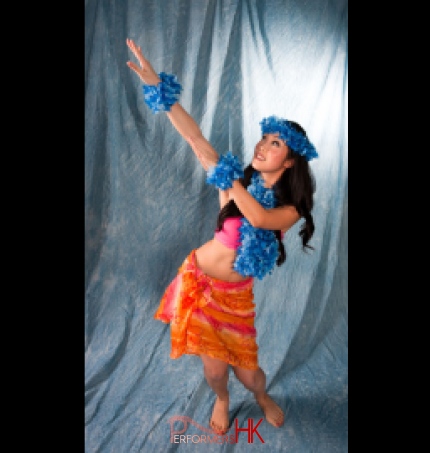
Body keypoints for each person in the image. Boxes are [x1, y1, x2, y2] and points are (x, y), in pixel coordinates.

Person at [126, 38, 318, 434]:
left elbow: (262, 219)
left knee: (251, 376)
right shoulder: (234, 180)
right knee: (215, 371)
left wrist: (231, 179)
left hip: (235, 299)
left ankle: (260, 397)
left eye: (275, 143)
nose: (263, 146)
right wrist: (156, 85)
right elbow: (194, 138)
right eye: (264, 139)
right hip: (200, 281)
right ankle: (221, 398)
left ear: (291, 159)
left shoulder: (288, 208)